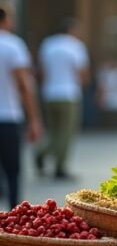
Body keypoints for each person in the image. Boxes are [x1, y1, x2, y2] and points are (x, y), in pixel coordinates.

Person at [0, 0, 42, 208]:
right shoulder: (13, 45)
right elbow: (25, 86)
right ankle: (12, 220)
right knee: (12, 171)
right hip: (8, 116)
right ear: (6, 19)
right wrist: (34, 119)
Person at [35, 18, 89, 179]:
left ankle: (41, 151)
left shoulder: (48, 44)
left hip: (49, 93)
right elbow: (82, 73)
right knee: (65, 133)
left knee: (53, 130)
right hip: (68, 94)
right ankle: (59, 167)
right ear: (72, 30)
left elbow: (42, 71)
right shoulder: (76, 46)